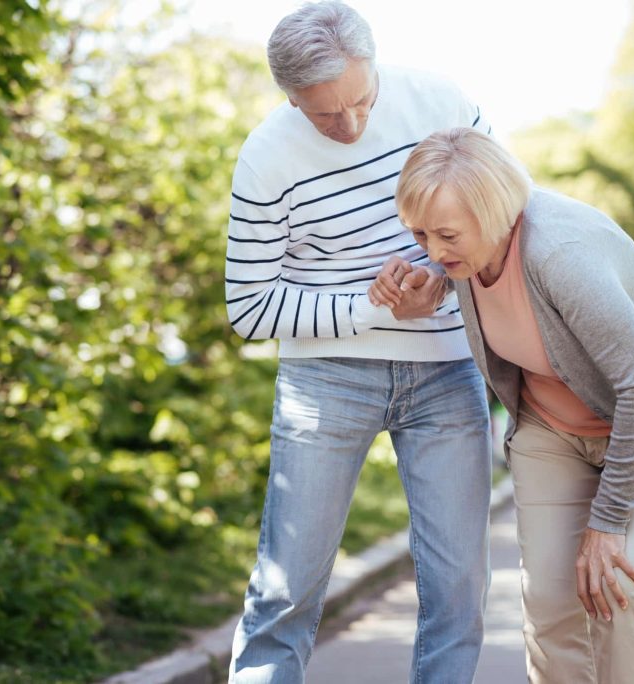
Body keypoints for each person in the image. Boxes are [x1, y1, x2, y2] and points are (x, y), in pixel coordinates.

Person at [370, 127, 634, 684]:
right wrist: (432, 279)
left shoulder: (558, 254)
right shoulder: (468, 250)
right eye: (420, 234)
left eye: (446, 236)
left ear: (493, 213)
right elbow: (466, 265)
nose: (433, 249)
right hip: (553, 425)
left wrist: (607, 522)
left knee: (617, 583)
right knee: (548, 599)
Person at [224, 3, 495, 682]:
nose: (350, 125)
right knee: (286, 590)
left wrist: (440, 281)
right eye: (325, 115)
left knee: (459, 588)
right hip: (326, 380)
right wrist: (370, 309)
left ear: (374, 64)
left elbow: (508, 217)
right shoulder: (265, 157)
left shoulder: (441, 102)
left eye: (361, 101)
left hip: (446, 372)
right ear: (290, 97)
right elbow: (248, 308)